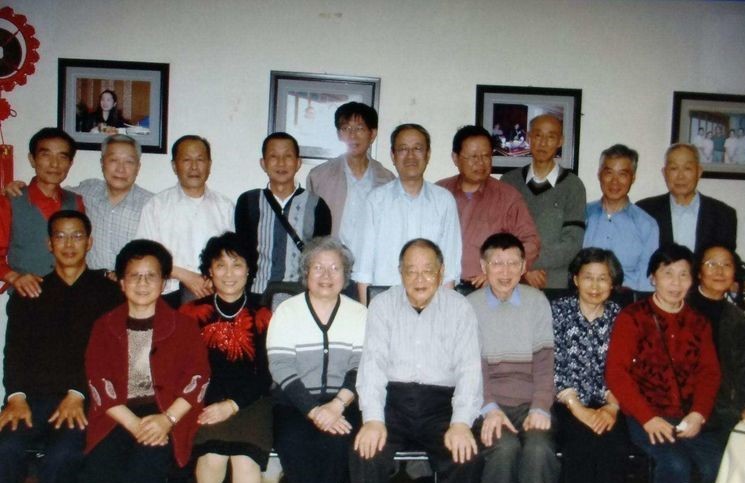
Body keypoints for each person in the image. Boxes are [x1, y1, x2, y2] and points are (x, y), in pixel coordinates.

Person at [0, 210, 122, 483]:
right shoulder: (29, 292)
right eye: (60, 236)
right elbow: (14, 352)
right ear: (49, 243)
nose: (69, 244)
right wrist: (15, 397)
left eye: (77, 236)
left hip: (85, 398)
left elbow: (111, 355)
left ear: (89, 242)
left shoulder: (110, 293)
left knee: (62, 455)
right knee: (5, 448)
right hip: (31, 398)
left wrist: (79, 393)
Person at [79, 239, 210, 482]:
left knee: (145, 468)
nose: (142, 283)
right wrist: (134, 424)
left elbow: (198, 377)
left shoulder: (184, 326)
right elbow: (98, 380)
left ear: (163, 283)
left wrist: (167, 420)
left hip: (166, 411)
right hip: (117, 414)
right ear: (121, 282)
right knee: (100, 470)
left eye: (151, 276)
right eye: (134, 276)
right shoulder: (104, 326)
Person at [352, 239, 482, 483]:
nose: (419, 279)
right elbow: (372, 366)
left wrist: (461, 423)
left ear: (441, 272)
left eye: (428, 271)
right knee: (364, 453)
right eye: (411, 271)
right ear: (400, 272)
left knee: (466, 457)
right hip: (393, 403)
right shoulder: (382, 305)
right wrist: (373, 419)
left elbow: (469, 370)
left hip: (442, 406)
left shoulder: (460, 308)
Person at [606, 243, 723, 483]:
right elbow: (617, 373)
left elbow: (709, 373)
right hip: (645, 415)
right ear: (652, 278)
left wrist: (698, 414)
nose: (676, 283)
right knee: (676, 465)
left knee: (717, 463)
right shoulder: (632, 317)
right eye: (668, 274)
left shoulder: (699, 323)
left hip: (689, 416)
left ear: (692, 280)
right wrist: (647, 417)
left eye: (683, 275)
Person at [267, 236, 366, 483]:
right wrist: (313, 410)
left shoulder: (359, 313)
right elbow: (280, 366)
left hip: (344, 403)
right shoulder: (287, 311)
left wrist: (336, 405)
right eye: (318, 267)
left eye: (335, 268)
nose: (326, 275)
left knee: (340, 447)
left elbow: (362, 366)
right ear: (306, 272)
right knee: (294, 444)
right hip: (293, 404)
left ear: (345, 275)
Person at [178, 232, 273, 483]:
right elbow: (185, 370)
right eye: (221, 265)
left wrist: (232, 405)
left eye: (237, 265)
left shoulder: (263, 314)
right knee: (212, 458)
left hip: (252, 402)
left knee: (246, 463)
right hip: (207, 402)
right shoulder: (191, 313)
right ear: (209, 271)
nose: (229, 274)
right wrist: (215, 405)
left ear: (248, 270)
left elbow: (267, 375)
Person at [466, 233, 559, 483]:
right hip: (487, 402)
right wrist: (489, 408)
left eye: (513, 263)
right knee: (504, 449)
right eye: (497, 263)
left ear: (524, 267)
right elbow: (471, 370)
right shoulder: (469, 306)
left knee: (539, 449)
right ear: (484, 266)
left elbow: (545, 364)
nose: (505, 272)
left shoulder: (537, 301)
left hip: (530, 402)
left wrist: (540, 406)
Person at [4, 134, 153, 271]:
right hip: (86, 286)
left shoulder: (152, 206)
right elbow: (50, 187)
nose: (120, 169)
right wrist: (15, 189)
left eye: (129, 162)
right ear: (102, 163)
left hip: (129, 287)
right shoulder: (86, 193)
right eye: (113, 160)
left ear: (138, 167)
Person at [352, 124, 462, 304]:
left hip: (431, 304)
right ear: (393, 156)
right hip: (385, 303)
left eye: (417, 148)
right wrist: (368, 313)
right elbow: (363, 270)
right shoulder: (375, 201)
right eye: (403, 149)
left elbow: (449, 269)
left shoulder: (444, 201)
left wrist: (444, 312)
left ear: (428, 155)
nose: (410, 155)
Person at [551, 248, 627, 483]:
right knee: (580, 444)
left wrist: (612, 406)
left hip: (609, 401)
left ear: (612, 283)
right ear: (575, 279)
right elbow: (553, 363)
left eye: (603, 278)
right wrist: (577, 408)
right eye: (588, 277)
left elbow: (625, 368)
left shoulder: (620, 316)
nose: (595, 286)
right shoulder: (557, 311)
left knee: (613, 446)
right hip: (565, 402)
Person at [436, 125, 540, 292]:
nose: (480, 163)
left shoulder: (508, 197)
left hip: (488, 290)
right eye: (473, 157)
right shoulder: (439, 192)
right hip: (440, 287)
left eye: (486, 156)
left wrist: (500, 272)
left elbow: (531, 242)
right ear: (455, 158)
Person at [136, 135, 234, 307]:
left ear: (209, 165)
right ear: (174, 166)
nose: (194, 167)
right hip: (167, 295)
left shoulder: (225, 207)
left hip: (214, 294)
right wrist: (184, 275)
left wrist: (214, 278)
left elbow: (232, 256)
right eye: (187, 160)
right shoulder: (156, 206)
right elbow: (143, 256)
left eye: (200, 160)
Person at [236, 132, 331, 306]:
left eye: (287, 156)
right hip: (258, 295)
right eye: (274, 156)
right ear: (263, 163)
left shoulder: (317, 205)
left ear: (298, 163)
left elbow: (321, 256)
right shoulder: (248, 202)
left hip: (302, 298)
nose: (281, 163)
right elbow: (242, 253)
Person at [501, 114, 586, 289]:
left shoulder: (573, 186)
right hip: (511, 278)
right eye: (538, 135)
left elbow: (572, 242)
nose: (543, 143)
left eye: (551, 137)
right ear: (529, 138)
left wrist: (529, 263)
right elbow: (501, 234)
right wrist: (523, 268)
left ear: (560, 141)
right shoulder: (508, 182)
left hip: (554, 280)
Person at [0, 127, 85, 297]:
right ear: (32, 159)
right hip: (26, 299)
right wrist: (15, 277)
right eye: (46, 155)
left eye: (62, 157)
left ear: (70, 163)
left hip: (69, 297)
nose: (54, 164)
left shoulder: (76, 202)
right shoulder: (11, 201)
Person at [306, 102, 395, 246]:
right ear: (339, 134)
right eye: (346, 128)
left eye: (359, 128)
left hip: (372, 258)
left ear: (372, 134)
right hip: (332, 256)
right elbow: (310, 229)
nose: (352, 135)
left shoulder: (388, 180)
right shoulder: (318, 176)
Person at [687, 245, 745, 447]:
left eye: (726, 265)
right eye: (712, 264)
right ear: (698, 272)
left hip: (727, 411)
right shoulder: (681, 308)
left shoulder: (738, 318)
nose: (720, 271)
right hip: (687, 409)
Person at [637, 143, 737, 254]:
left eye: (687, 168)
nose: (680, 176)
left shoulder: (723, 215)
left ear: (699, 172)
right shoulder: (644, 211)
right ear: (664, 173)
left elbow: (726, 260)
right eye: (674, 168)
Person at [583, 144, 658, 291]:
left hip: (627, 299)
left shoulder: (647, 225)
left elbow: (647, 280)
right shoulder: (582, 215)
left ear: (633, 178)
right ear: (599, 175)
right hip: (586, 296)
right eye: (609, 173)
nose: (614, 181)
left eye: (622, 174)